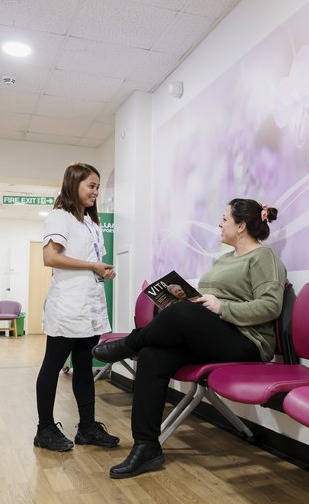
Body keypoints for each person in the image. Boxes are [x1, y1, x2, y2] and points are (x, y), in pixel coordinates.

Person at [93, 198, 287, 478]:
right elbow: (214, 299)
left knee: (180, 316)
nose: (220, 224)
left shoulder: (263, 258)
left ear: (241, 225)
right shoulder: (224, 259)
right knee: (152, 356)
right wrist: (191, 298)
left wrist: (223, 307)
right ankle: (146, 447)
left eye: (225, 219)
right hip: (216, 336)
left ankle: (129, 344)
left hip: (247, 342)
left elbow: (271, 306)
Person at [34, 162, 120, 452]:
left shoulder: (91, 223)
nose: (96, 192)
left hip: (90, 305)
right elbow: (50, 257)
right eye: (91, 186)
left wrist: (102, 270)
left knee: (84, 366)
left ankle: (87, 428)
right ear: (74, 185)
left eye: (98, 186)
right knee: (53, 366)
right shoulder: (60, 217)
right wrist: (92, 265)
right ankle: (44, 429)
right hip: (68, 306)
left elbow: (90, 262)